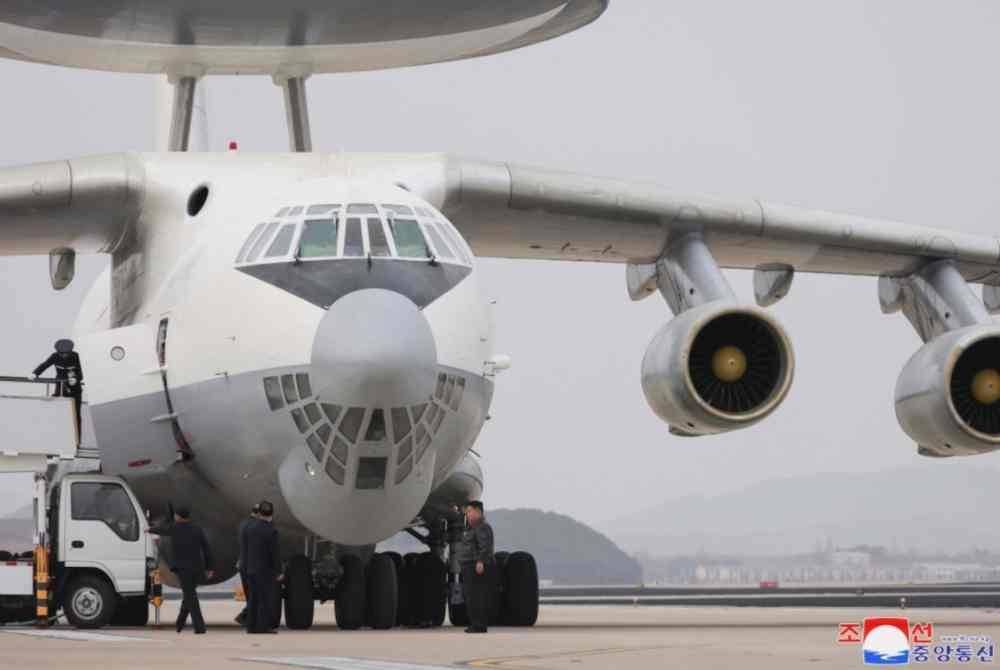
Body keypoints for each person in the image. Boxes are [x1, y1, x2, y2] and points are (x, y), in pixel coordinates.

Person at [148, 507, 214, 634]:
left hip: (183, 569)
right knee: (189, 595)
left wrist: (149, 529)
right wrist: (209, 568)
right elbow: (206, 549)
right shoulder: (197, 529)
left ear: (178, 517)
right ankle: (179, 623)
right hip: (197, 568)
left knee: (191, 596)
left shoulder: (175, 528)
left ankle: (200, 627)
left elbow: (162, 530)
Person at [244, 500, 283, 634]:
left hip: (251, 568)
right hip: (265, 570)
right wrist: (279, 571)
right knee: (264, 599)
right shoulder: (271, 531)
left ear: (259, 513)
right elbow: (275, 553)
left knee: (253, 598)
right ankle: (262, 627)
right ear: (271, 514)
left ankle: (251, 626)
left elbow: (246, 548)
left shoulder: (250, 528)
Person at [456, 500, 495, 633]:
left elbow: (485, 546)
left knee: (476, 596)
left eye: (469, 512)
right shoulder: (472, 528)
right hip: (469, 565)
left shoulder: (481, 527)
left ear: (478, 512)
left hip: (475, 566)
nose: (467, 515)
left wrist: (480, 561)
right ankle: (476, 624)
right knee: (470, 596)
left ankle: (479, 625)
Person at [33, 339, 84, 438]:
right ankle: (57, 439)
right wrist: (35, 373)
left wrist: (76, 379)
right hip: (60, 389)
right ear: (58, 352)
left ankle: (77, 440)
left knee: (76, 415)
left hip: (75, 391)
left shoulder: (76, 356)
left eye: (66, 353)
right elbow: (44, 365)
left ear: (70, 351)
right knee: (57, 413)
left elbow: (81, 373)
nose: (64, 355)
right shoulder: (54, 356)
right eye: (62, 353)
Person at [235, 504, 260, 626]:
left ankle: (246, 617)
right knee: (255, 595)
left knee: (251, 594)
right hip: (252, 565)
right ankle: (247, 618)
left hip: (243, 563)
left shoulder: (243, 524)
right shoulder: (255, 526)